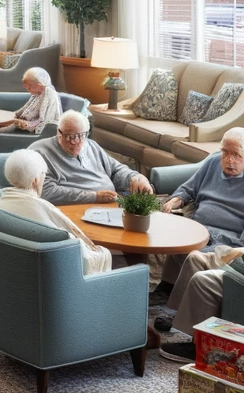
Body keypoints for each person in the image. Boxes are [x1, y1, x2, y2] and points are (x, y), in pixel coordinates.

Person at [151, 129, 244, 358]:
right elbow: (189, 187)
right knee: (181, 239)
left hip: (229, 240)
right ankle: (167, 289)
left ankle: (177, 314)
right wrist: (177, 199)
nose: (229, 160)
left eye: (237, 155)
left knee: (194, 255)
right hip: (200, 227)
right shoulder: (213, 162)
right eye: (225, 152)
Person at [0, 149, 112, 275]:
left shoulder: (1, 204)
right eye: (43, 175)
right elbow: (82, 257)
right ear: (35, 180)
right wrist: (104, 253)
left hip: (17, 273)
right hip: (54, 277)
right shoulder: (41, 208)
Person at [30, 110, 153, 205]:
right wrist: (94, 196)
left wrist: (135, 177)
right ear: (59, 133)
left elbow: (116, 170)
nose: (75, 142)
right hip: (77, 209)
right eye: (69, 136)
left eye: (81, 135)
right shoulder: (40, 152)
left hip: (111, 204)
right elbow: (46, 191)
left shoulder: (90, 145)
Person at [0, 68, 62, 134]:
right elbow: (24, 110)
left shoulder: (49, 94)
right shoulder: (36, 94)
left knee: (1, 130)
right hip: (23, 124)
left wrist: (28, 124)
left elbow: (45, 120)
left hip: (32, 130)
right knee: (1, 125)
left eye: (29, 87)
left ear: (39, 85)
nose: (28, 90)